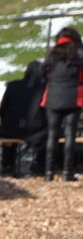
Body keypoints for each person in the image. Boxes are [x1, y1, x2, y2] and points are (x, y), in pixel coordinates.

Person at [40, 26, 83, 182]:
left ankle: (49, 172)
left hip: (52, 98)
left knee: (52, 135)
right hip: (73, 98)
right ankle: (67, 172)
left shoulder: (52, 54)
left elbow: (41, 72)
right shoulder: (78, 54)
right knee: (70, 135)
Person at [0, 60, 47, 176]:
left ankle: (7, 165)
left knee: (8, 129)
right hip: (35, 131)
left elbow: (2, 111)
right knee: (53, 134)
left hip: (10, 129)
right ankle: (40, 164)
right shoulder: (45, 88)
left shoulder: (13, 85)